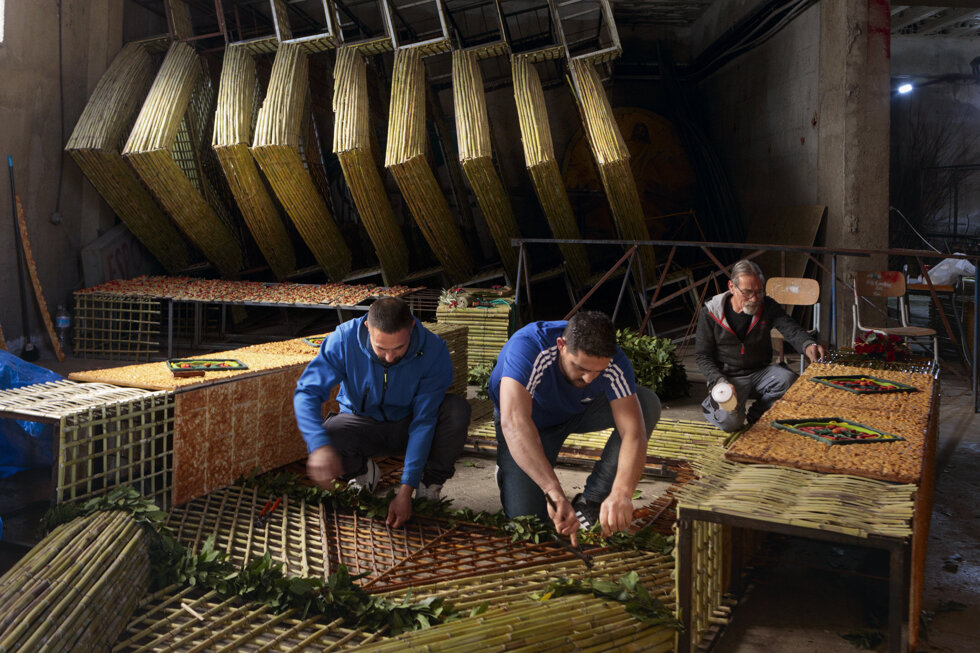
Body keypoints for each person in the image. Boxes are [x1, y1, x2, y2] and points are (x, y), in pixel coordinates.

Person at [294, 297, 471, 528]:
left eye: (399, 348)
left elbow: (424, 421)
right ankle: (361, 472)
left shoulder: (433, 350)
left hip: (409, 425)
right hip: (362, 423)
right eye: (381, 348)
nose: (389, 357)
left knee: (456, 410)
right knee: (329, 435)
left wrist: (405, 490)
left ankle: (429, 483)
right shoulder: (344, 340)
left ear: (412, 328)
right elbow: (306, 392)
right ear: (368, 326)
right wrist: (317, 445)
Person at [489, 311, 661, 544]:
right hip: (528, 424)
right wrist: (554, 491)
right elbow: (514, 423)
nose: (589, 378)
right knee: (529, 524)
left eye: (597, 371)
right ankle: (513, 466)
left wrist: (622, 492)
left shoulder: (614, 362)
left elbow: (633, 432)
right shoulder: (528, 348)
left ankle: (592, 500)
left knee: (646, 404)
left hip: (577, 411)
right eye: (580, 368)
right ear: (561, 345)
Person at [696, 259, 827, 432]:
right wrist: (720, 381)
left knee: (789, 381)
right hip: (729, 378)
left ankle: (757, 415)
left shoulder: (766, 305)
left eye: (759, 292)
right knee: (731, 424)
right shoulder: (711, 312)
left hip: (761, 372)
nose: (754, 299)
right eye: (747, 292)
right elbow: (702, 356)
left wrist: (807, 344)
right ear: (731, 287)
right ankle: (712, 405)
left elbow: (790, 328)